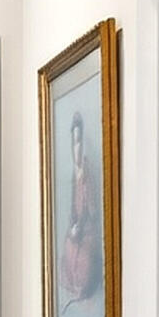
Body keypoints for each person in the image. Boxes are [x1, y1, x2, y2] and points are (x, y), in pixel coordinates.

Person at [57, 111, 101, 305]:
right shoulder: (74, 178)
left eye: (78, 144)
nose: (76, 149)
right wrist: (73, 230)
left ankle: (82, 287)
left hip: (88, 232)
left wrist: (79, 229)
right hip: (77, 230)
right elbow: (72, 213)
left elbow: (92, 213)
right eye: (74, 144)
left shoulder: (87, 176)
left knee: (82, 258)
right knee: (70, 249)